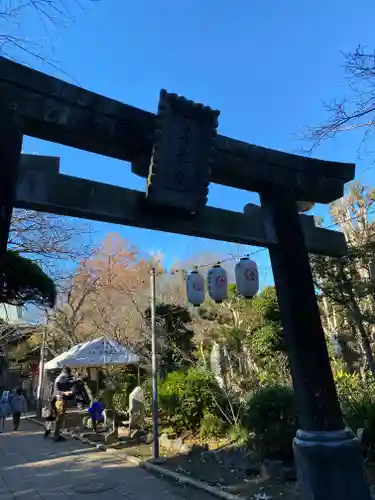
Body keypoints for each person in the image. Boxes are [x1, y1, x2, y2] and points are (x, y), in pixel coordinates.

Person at [53, 366, 74, 442]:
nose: (68, 376)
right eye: (68, 374)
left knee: (61, 417)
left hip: (62, 399)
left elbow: (67, 386)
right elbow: (57, 390)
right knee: (59, 417)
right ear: (65, 372)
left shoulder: (62, 378)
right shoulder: (60, 378)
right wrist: (65, 392)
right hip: (60, 400)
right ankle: (56, 435)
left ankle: (58, 434)